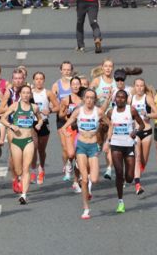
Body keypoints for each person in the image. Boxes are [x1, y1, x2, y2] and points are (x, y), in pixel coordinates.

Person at [67, 89, 108, 220]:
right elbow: (65, 127)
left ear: (94, 100)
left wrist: (108, 141)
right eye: (87, 97)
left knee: (94, 179)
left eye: (92, 98)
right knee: (84, 179)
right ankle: (86, 208)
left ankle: (86, 181)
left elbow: (111, 125)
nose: (89, 100)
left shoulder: (99, 112)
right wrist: (67, 135)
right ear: (84, 99)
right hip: (81, 146)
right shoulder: (78, 111)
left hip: (93, 146)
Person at [0, 85, 45, 204]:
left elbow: (40, 119)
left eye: (28, 93)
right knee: (19, 169)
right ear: (20, 95)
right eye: (23, 93)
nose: (25, 95)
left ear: (30, 95)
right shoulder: (15, 106)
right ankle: (18, 178)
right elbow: (3, 119)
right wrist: (10, 125)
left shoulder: (34, 107)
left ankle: (24, 195)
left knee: (26, 168)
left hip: (28, 140)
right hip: (16, 141)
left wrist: (39, 124)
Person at [106, 89, 147, 213]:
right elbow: (107, 125)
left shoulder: (131, 110)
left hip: (129, 145)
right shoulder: (111, 112)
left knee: (129, 177)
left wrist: (135, 132)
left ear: (126, 99)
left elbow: (142, 125)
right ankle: (120, 202)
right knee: (119, 172)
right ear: (114, 99)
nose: (120, 99)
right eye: (117, 97)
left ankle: (125, 179)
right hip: (116, 145)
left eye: (122, 97)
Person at [30, 71, 60, 185]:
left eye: (41, 79)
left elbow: (58, 106)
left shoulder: (48, 93)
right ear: (33, 80)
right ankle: (33, 170)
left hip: (44, 123)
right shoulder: (30, 93)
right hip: (31, 123)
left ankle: (41, 168)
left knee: (41, 150)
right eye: (36, 79)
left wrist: (50, 110)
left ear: (44, 80)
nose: (38, 81)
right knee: (33, 147)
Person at [131, 77, 157, 194]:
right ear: (134, 87)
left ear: (144, 87)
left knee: (143, 161)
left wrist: (147, 115)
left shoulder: (148, 98)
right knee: (137, 158)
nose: (139, 88)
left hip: (147, 131)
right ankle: (138, 185)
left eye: (141, 86)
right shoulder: (130, 98)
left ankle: (139, 171)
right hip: (136, 131)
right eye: (137, 86)